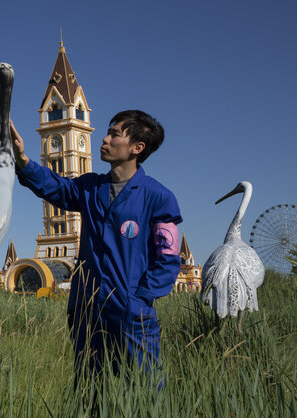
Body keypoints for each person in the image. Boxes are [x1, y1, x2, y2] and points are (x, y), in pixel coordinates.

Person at [10, 110, 181, 378]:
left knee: (143, 388)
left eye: (114, 135)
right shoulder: (90, 188)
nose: (104, 139)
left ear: (137, 147)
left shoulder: (158, 197)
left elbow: (167, 260)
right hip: (86, 310)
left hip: (131, 314)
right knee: (89, 390)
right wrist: (22, 159)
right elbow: (56, 187)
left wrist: (137, 301)